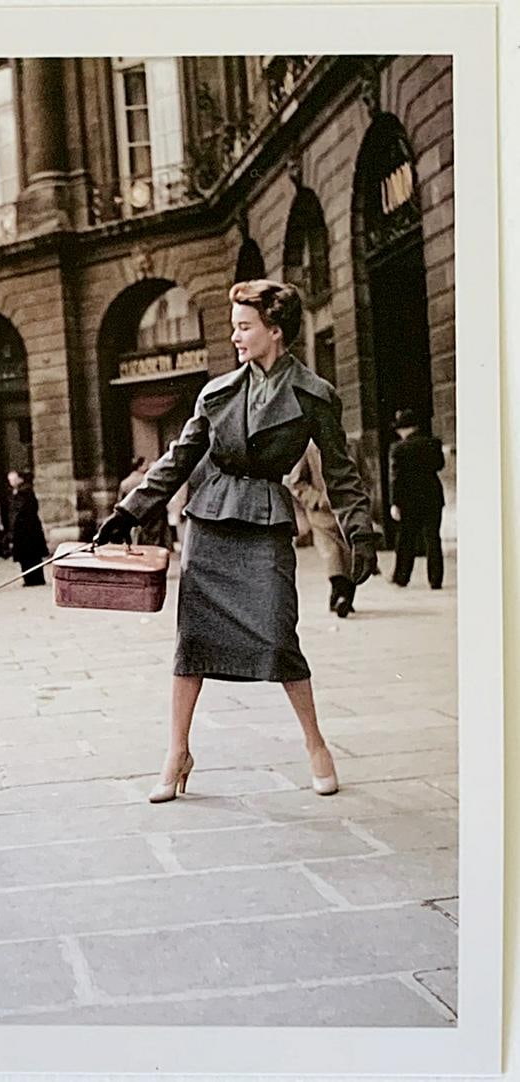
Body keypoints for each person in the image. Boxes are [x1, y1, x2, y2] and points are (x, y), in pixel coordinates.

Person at [95, 279, 378, 804]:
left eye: (244, 327)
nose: (235, 336)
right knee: (193, 643)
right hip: (211, 523)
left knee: (277, 634)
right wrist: (128, 512)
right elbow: (178, 459)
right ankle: (177, 751)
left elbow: (340, 473)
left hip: (265, 523)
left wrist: (358, 529)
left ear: (275, 331)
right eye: (234, 326)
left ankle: (316, 745)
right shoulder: (216, 392)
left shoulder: (316, 396)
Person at [287, 441, 357, 617]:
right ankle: (340, 594)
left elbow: (363, 475)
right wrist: (316, 499)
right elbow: (296, 483)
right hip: (322, 512)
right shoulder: (309, 449)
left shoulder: (350, 446)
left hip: (348, 508)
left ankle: (344, 596)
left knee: (350, 552)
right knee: (332, 551)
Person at [389, 408, 446, 589]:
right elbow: (440, 465)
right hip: (433, 496)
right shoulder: (433, 443)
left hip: (409, 499)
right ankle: (435, 579)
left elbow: (396, 480)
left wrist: (395, 503)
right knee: (433, 538)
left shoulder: (399, 448)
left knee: (406, 539)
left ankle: (402, 577)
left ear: (405, 429)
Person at [7, 469, 49, 586]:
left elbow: (20, 511)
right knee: (26, 557)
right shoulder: (18, 492)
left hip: (27, 531)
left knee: (30, 556)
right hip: (24, 531)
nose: (11, 482)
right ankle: (30, 579)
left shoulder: (24, 492)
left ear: (19, 479)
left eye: (13, 479)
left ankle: (34, 579)